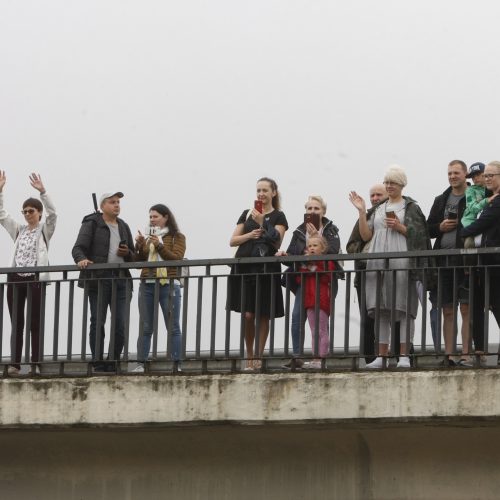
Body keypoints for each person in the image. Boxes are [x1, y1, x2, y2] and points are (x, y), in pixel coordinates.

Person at [349, 166, 430, 369]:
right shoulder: (377, 208)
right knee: (381, 309)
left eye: (392, 182)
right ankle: (381, 356)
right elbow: (366, 236)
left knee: (404, 308)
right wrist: (361, 211)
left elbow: (421, 236)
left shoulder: (410, 207)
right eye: (386, 182)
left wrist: (400, 227)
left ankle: (404, 356)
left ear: (401, 184)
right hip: (378, 261)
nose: (388, 186)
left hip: (402, 260)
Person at [227, 177, 288, 370]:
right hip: (245, 269)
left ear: (273, 193)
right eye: (258, 190)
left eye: (265, 190)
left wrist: (263, 223)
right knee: (247, 315)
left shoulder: (279, 216)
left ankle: (259, 356)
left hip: (266, 270)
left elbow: (277, 242)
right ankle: (250, 354)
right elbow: (233, 240)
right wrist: (250, 234)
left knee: (263, 315)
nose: (261, 194)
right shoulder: (247, 214)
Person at [0, 172, 56, 376]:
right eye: (24, 211)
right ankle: (15, 363)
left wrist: (43, 192)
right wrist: (0, 191)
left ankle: (36, 362)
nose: (27, 214)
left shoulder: (44, 230)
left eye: (30, 211)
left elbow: (54, 215)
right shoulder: (19, 230)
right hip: (15, 279)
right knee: (17, 323)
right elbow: (2, 215)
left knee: (35, 323)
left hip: (34, 279)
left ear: (38, 213)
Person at [72, 192, 134, 372]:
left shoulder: (123, 226)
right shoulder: (92, 222)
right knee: (97, 320)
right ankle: (98, 362)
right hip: (99, 278)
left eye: (118, 202)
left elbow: (133, 256)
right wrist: (81, 259)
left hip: (122, 279)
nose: (117, 205)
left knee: (120, 323)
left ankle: (113, 361)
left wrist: (127, 253)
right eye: (112, 202)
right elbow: (78, 248)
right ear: (102, 206)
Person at [279, 195, 341, 368]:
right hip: (304, 282)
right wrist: (286, 255)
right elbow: (291, 257)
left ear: (323, 212)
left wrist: (315, 237)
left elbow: (334, 253)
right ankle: (297, 356)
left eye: (316, 209)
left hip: (324, 281)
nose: (312, 212)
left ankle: (321, 358)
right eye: (309, 209)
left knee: (321, 320)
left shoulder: (331, 230)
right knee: (298, 316)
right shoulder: (299, 231)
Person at [347, 183, 402, 363]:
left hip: (392, 269)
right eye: (372, 195)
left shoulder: (399, 210)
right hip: (367, 271)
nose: (375, 198)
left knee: (394, 313)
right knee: (367, 317)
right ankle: (369, 358)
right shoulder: (368, 214)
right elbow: (352, 244)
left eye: (379, 194)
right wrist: (366, 253)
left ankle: (395, 356)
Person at [427, 160, 470, 366]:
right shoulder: (441, 199)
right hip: (443, 260)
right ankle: (451, 355)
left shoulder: (474, 196)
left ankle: (467, 355)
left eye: (456, 173)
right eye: (449, 173)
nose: (452, 176)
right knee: (448, 309)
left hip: (466, 259)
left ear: (465, 174)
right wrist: (440, 226)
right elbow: (429, 229)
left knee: (466, 308)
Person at [133, 204, 186, 373]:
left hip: (169, 285)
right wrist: (140, 245)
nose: (152, 220)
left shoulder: (177, 236)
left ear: (165, 217)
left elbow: (176, 259)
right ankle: (141, 363)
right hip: (147, 284)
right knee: (146, 326)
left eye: (155, 216)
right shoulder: (149, 238)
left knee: (173, 326)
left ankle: (177, 364)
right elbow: (139, 262)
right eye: (150, 217)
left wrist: (160, 245)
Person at [461, 161, 500, 365]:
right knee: (477, 308)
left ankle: (482, 352)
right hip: (481, 263)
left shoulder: (497, 201)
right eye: (486, 176)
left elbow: (477, 225)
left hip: (493, 263)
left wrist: (466, 231)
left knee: (496, 306)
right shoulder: (486, 198)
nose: (487, 179)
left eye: (491, 175)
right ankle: (480, 352)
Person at [296, 236, 336, 369]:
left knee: (322, 330)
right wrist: (304, 265)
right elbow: (299, 279)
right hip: (309, 300)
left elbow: (327, 277)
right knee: (313, 331)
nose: (312, 248)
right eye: (310, 246)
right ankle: (315, 358)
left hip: (322, 300)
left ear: (322, 248)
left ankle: (322, 358)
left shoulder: (327, 261)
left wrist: (312, 268)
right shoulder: (306, 262)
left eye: (315, 245)